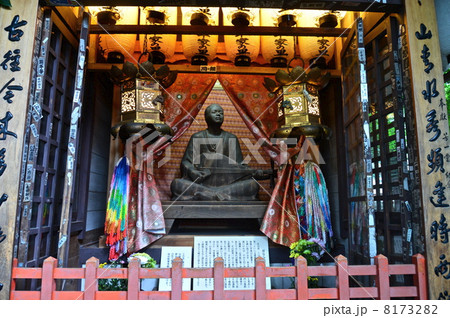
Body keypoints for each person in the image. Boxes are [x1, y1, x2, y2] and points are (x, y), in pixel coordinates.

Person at [170, 104, 269, 201]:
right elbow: (186, 162)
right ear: (206, 117)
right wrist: (194, 172)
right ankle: (218, 195)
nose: (218, 115)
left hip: (228, 185)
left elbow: (239, 166)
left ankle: (209, 195)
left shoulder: (231, 138)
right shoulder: (197, 137)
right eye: (214, 112)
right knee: (177, 184)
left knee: (252, 185)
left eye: (221, 113)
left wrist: (252, 173)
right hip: (202, 184)